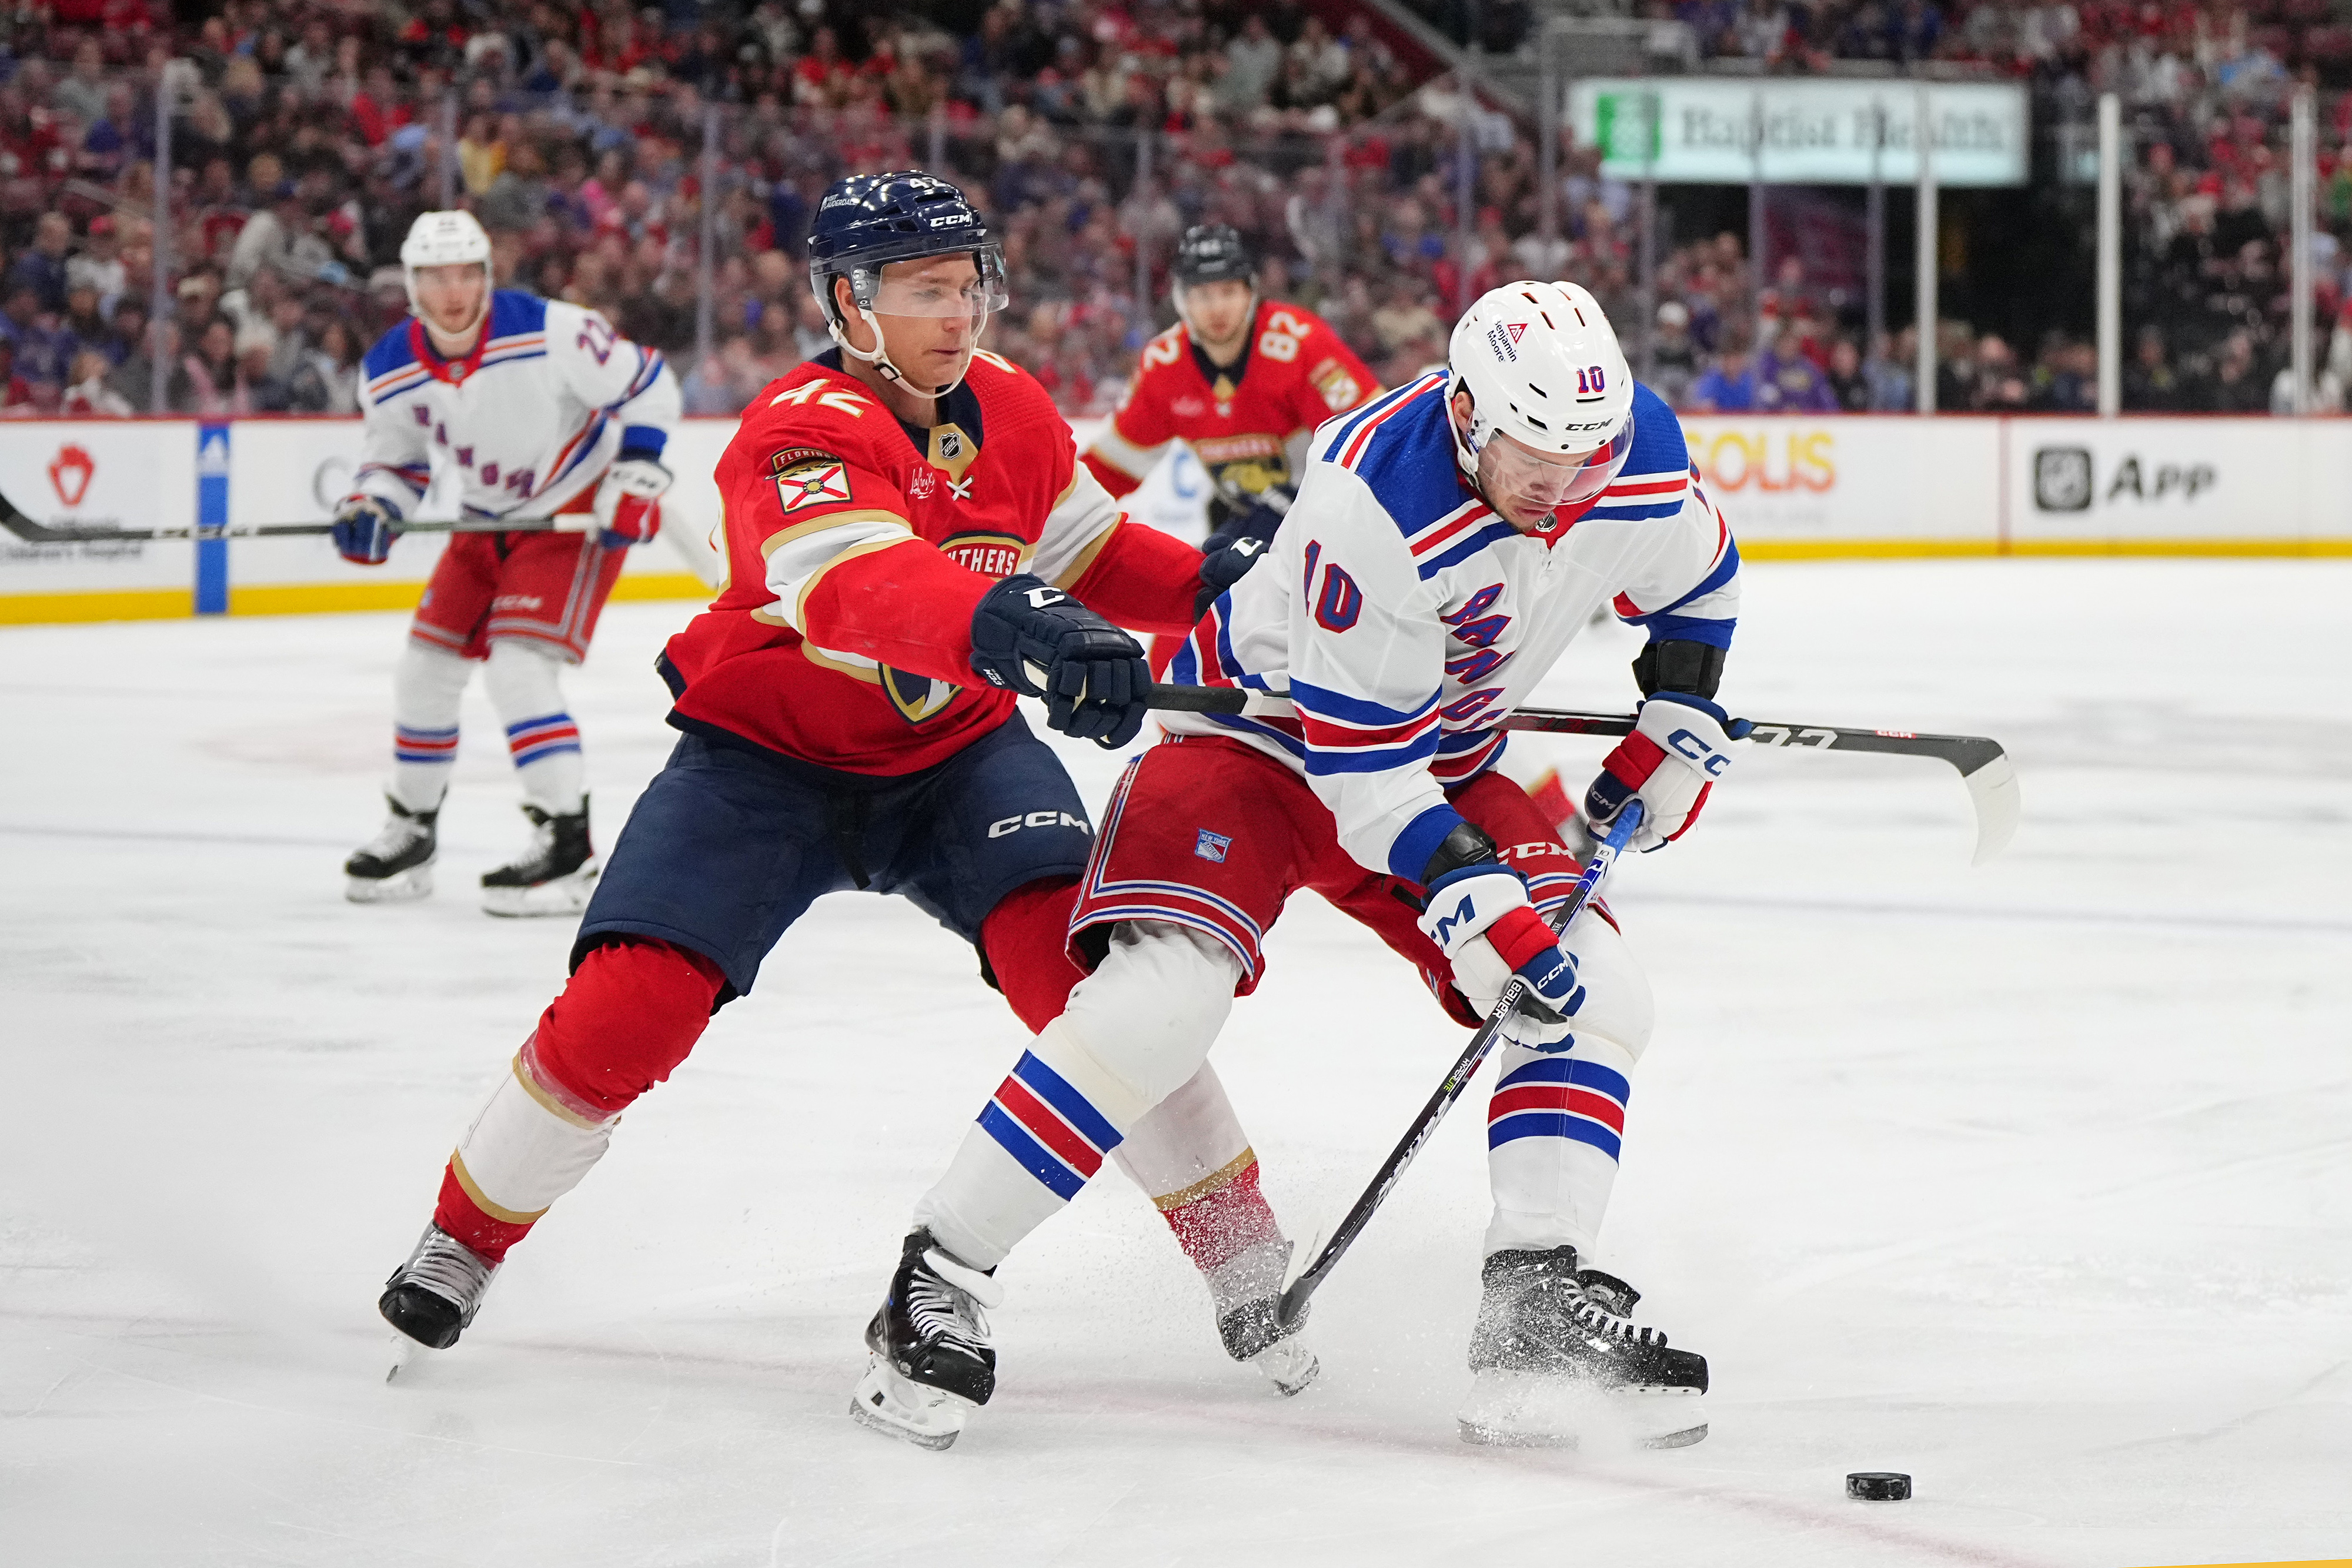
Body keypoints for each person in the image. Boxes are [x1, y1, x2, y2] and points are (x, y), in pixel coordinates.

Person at [374, 172, 1318, 1408]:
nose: (959, 314)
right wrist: (1017, 625)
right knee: (630, 1006)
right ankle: (464, 1234)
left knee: (1097, 988)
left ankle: (1244, 1254)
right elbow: (858, 589)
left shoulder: (1015, 408)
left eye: (968, 285)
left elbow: (1087, 549)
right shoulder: (795, 427)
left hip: (957, 760)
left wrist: (1215, 591)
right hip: (764, 762)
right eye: (925, 291)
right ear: (844, 303)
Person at [854, 280, 1742, 1453]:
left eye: (1584, 461)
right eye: (1532, 456)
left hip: (1439, 752)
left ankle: (1530, 1300)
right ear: (1468, 413)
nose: (1559, 491)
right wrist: (1477, 908)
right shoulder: (1372, 492)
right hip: (1259, 744)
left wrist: (1678, 708)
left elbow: (1697, 577)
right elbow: (1364, 780)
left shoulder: (1630, 455)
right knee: (1160, 1003)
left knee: (1596, 992)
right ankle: (937, 1274)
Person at [333, 209, 681, 915]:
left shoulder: (551, 330)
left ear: (488, 275)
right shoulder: (388, 368)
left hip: (568, 512)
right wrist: (373, 506)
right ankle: (412, 828)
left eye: (466, 273)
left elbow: (649, 385)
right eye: (435, 277)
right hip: (483, 521)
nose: (453, 290)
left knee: (520, 669)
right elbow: (396, 462)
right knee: (424, 671)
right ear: (411, 284)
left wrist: (638, 473)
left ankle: (566, 844)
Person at [1081, 225, 1379, 556]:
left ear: (1251, 293)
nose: (1217, 308)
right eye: (1203, 295)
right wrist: (1051, 511)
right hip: (1243, 517)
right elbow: (1112, 469)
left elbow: (1378, 441)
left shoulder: (1302, 345)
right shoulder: (1164, 366)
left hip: (1333, 521)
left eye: (1229, 292)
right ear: (1182, 300)